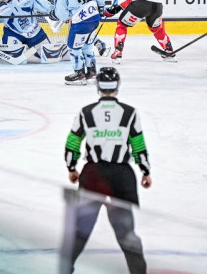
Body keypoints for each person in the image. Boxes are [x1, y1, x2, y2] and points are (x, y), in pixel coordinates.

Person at [63, 66, 151, 274]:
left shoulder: (86, 112)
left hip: (93, 174)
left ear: (98, 86)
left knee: (80, 230)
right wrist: (145, 171)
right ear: (117, 86)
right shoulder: (129, 113)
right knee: (126, 232)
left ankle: (65, 270)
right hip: (122, 175)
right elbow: (138, 144)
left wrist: (72, 167)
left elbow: (72, 142)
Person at [104, 0, 175, 63]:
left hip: (141, 3)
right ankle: (170, 52)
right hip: (157, 4)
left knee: (122, 25)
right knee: (157, 29)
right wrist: (118, 7)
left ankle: (118, 52)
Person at [50, 0, 105, 84]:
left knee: (73, 48)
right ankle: (92, 71)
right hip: (94, 19)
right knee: (87, 46)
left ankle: (79, 73)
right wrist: (100, 7)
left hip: (80, 23)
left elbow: (62, 14)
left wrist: (54, 15)